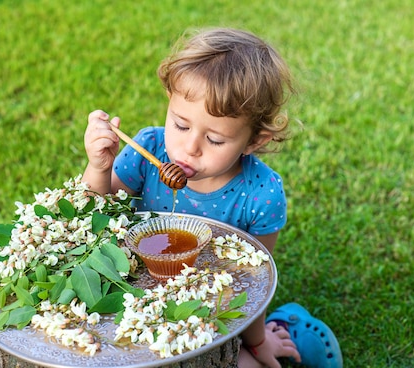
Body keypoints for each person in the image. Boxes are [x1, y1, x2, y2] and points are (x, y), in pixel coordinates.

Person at [83, 27, 342, 368]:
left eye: (216, 140)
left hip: (214, 305)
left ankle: (281, 328)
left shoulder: (260, 195)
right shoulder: (146, 152)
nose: (189, 148)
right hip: (134, 293)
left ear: (254, 141)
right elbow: (89, 215)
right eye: (180, 124)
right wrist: (99, 167)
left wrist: (259, 342)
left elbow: (253, 280)